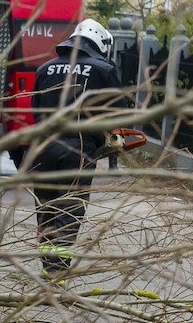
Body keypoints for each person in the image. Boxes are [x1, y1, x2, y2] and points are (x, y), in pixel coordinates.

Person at [28, 18, 128, 276]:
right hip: (78, 149)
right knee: (69, 212)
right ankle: (56, 275)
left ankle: (49, 269)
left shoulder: (44, 69)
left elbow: (35, 111)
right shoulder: (104, 70)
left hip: (43, 148)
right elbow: (118, 115)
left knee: (46, 210)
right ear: (100, 44)